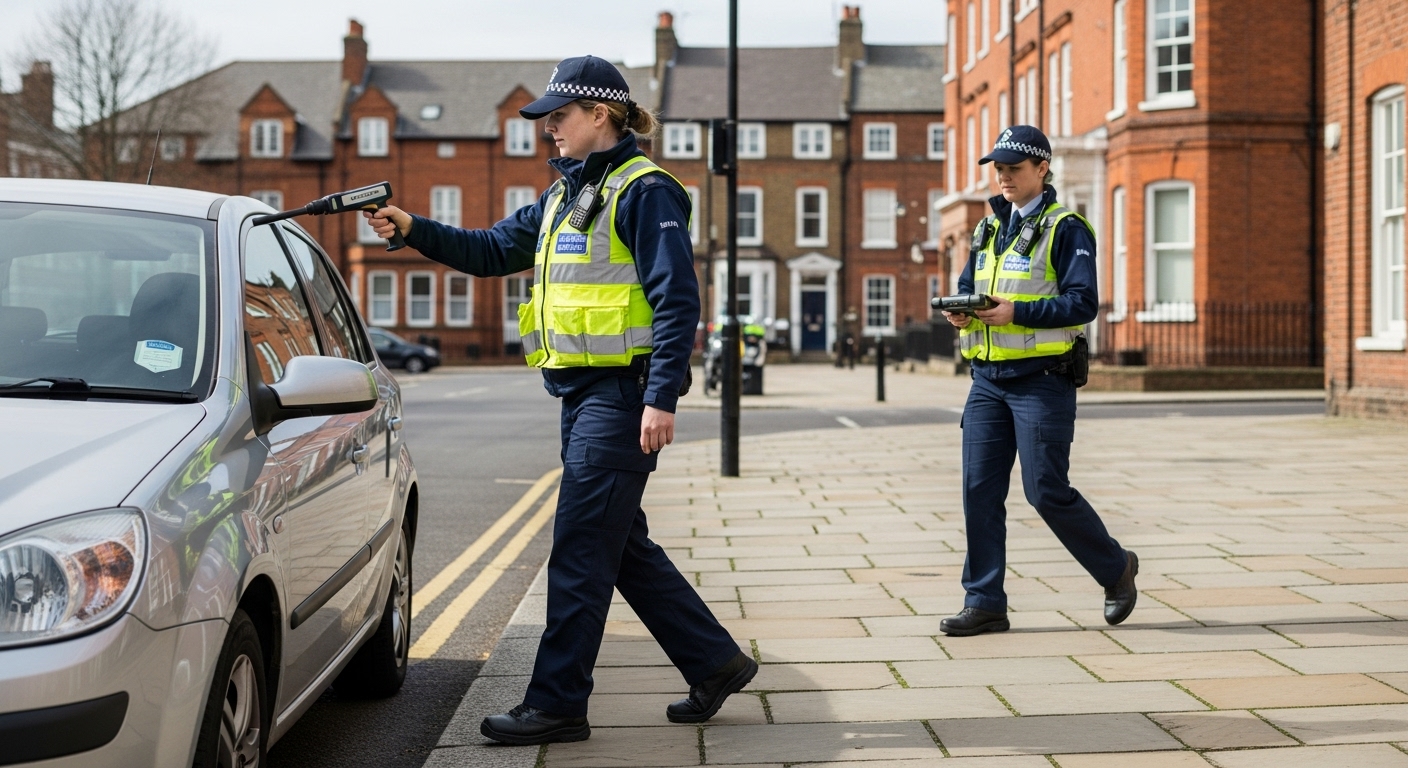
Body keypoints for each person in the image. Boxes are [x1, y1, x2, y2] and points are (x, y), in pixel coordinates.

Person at [364, 55, 756, 745]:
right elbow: (488, 249)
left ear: (599, 115)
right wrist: (413, 227)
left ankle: (557, 702)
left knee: (578, 550)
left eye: (558, 116)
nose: (548, 129)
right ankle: (714, 661)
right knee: (620, 545)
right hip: (581, 396)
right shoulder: (564, 196)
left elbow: (677, 301)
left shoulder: (645, 191)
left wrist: (662, 395)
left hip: (621, 395)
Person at [938, 125, 1138, 637]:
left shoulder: (1067, 227)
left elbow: (1082, 302)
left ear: (1042, 169)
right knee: (978, 489)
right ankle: (984, 601)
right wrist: (961, 312)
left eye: (1014, 167)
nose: (1003, 176)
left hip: (1041, 380)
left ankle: (1116, 569)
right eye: (999, 168)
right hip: (987, 380)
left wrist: (1017, 312)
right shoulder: (987, 229)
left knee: (1045, 489)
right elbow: (968, 287)